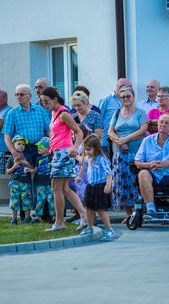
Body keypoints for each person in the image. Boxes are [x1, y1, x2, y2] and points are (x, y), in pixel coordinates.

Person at [40, 87, 87, 231]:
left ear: (54, 99)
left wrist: (75, 147)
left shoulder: (63, 113)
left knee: (57, 188)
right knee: (65, 189)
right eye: (42, 102)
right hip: (58, 152)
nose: (44, 105)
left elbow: (78, 131)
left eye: (46, 102)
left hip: (63, 153)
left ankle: (60, 222)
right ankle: (84, 216)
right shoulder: (55, 112)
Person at [108, 86, 148, 220]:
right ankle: (128, 214)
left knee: (135, 183)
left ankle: (140, 213)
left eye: (128, 96)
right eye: (122, 96)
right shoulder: (117, 113)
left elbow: (143, 130)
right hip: (119, 155)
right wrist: (120, 141)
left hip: (136, 153)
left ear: (133, 97)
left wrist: (127, 139)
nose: (125, 98)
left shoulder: (140, 113)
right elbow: (110, 131)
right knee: (121, 183)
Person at [77, 135, 118, 241]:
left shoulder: (101, 159)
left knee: (100, 209)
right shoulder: (89, 158)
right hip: (91, 186)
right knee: (88, 208)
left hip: (100, 186)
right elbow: (82, 162)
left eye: (89, 149)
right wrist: (79, 176)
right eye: (86, 149)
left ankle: (109, 229)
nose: (87, 151)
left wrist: (108, 185)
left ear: (96, 148)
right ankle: (90, 227)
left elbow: (109, 173)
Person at [99, 78, 133, 154]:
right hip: (106, 142)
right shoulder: (106, 100)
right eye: (128, 87)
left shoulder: (130, 101)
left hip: (127, 142)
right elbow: (98, 120)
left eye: (130, 87)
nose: (129, 89)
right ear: (119, 87)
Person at [6, 135, 34, 224]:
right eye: (19, 144)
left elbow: (32, 168)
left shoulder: (28, 156)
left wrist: (27, 164)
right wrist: (14, 167)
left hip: (26, 183)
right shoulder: (11, 157)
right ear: (13, 145)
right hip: (15, 182)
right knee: (14, 201)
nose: (21, 146)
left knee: (26, 201)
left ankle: (26, 218)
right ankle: (14, 219)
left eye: (23, 144)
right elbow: (8, 171)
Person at [26, 137, 54, 224]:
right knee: (40, 200)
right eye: (38, 146)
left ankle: (54, 217)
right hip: (40, 184)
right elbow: (36, 170)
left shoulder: (51, 157)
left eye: (41, 147)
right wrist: (30, 170)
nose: (39, 148)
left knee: (51, 200)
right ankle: (37, 216)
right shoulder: (38, 159)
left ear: (48, 149)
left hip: (50, 183)